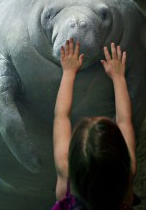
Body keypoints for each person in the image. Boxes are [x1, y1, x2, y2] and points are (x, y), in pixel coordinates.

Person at [52, 38, 139, 210]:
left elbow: (61, 117)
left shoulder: (65, 175)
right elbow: (124, 121)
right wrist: (119, 77)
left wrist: (69, 72)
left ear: (71, 159)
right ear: (122, 155)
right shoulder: (127, 175)